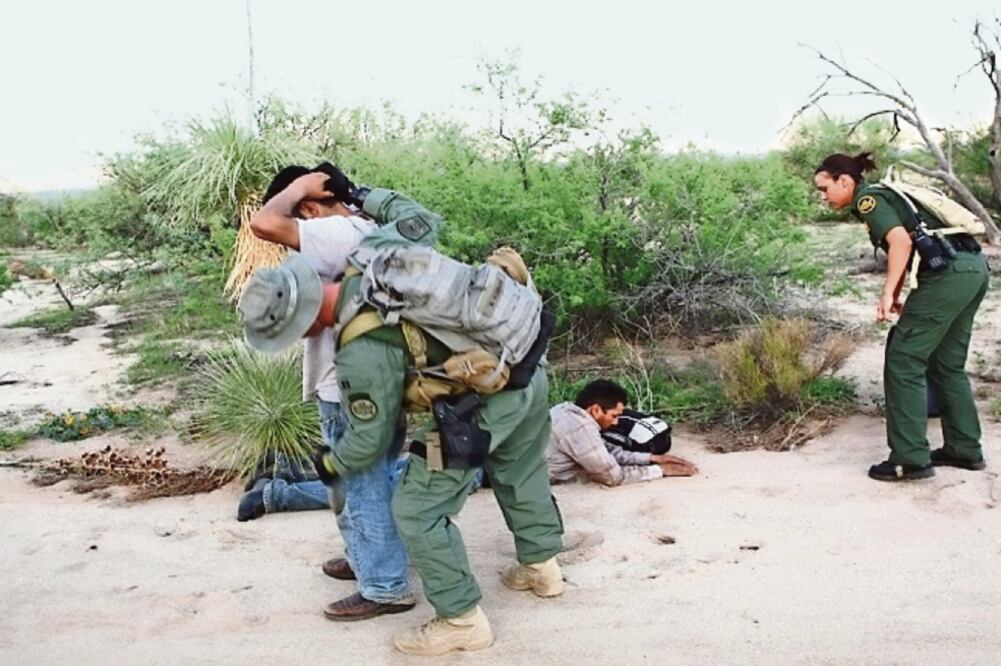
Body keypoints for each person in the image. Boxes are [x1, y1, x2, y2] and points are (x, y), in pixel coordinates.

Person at [240, 174, 565, 656]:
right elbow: (420, 218)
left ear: (306, 316)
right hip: (526, 362)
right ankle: (541, 569)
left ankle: (460, 620)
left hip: (488, 398)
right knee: (519, 469)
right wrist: (359, 193)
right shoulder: (373, 253)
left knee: (417, 509)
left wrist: (330, 464)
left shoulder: (360, 347)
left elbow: (369, 440)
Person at [242, 164, 415, 621]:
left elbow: (264, 224)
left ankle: (385, 585)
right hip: (368, 376)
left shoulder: (339, 228)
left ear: (312, 205)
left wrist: (300, 185)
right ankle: (368, 560)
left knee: (362, 483)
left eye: (302, 211)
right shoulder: (367, 227)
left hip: (351, 384)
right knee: (355, 482)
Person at [814, 152, 989, 481]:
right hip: (972, 269)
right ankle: (964, 449)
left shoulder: (868, 200)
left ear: (845, 181)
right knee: (945, 363)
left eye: (825, 189)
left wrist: (887, 294)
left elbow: (900, 242)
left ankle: (909, 459)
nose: (822, 197)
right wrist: (900, 294)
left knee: (904, 358)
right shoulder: (884, 194)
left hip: (950, 274)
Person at [547, 379, 698, 486]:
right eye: (613, 415)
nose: (616, 422)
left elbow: (607, 452)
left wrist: (652, 458)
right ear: (596, 410)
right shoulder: (579, 428)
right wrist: (660, 470)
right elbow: (611, 476)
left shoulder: (564, 410)